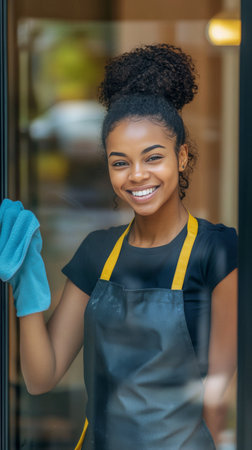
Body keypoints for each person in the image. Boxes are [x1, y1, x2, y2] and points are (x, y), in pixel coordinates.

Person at [0, 44, 237, 449]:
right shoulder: (96, 252)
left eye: (153, 157)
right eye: (120, 162)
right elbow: (41, 379)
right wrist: (28, 286)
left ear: (181, 157)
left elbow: (218, 402)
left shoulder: (216, 252)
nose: (137, 175)